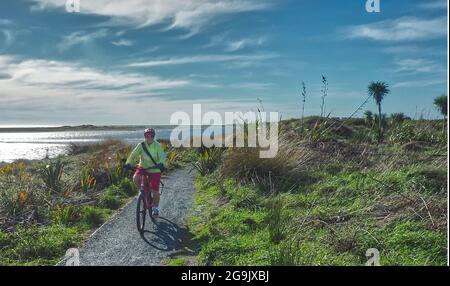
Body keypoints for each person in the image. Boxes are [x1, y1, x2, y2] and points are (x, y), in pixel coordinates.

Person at [125, 128, 166, 218]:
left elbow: (162, 156)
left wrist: (161, 163)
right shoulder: (141, 145)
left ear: (153, 136)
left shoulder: (157, 145)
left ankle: (155, 208)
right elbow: (133, 155)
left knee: (155, 191)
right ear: (145, 136)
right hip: (143, 167)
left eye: (151, 135)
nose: (149, 137)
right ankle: (143, 192)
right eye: (147, 135)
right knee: (135, 178)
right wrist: (128, 163)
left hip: (155, 169)